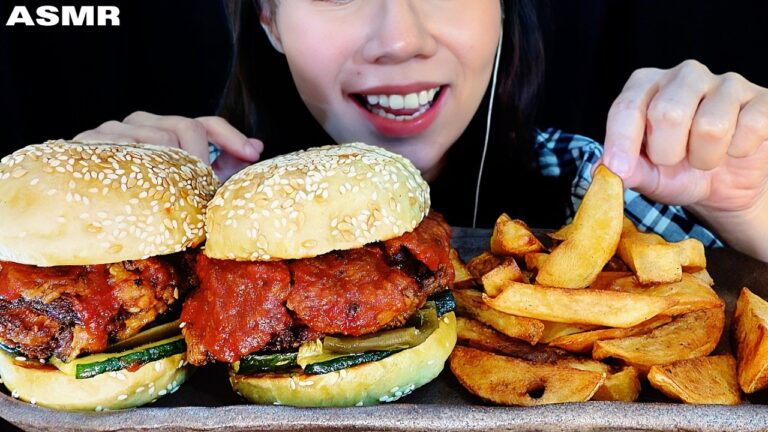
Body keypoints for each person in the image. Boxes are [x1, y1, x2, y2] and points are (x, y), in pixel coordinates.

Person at [74, 0, 768, 263]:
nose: (399, 39)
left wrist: (752, 207)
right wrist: (87, 227)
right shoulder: (189, 196)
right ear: (268, 22)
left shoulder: (591, 180)